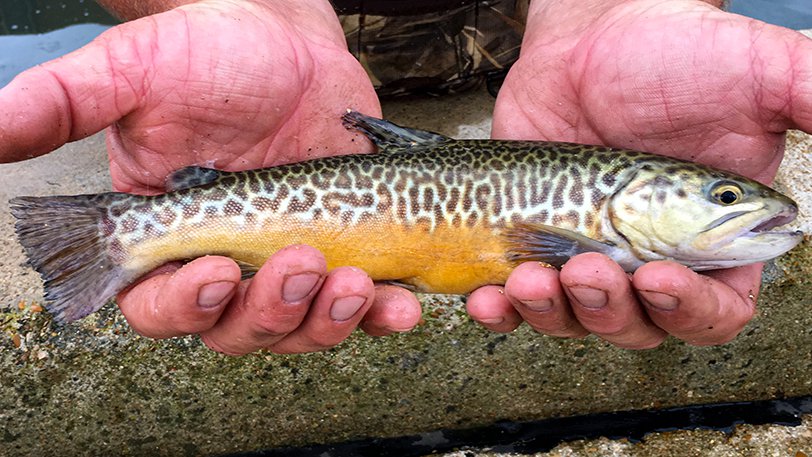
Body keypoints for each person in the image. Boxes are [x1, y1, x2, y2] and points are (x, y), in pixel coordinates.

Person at [0, 0, 809, 356]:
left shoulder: (598, 228)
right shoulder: (585, 238)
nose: (741, 204)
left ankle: (127, 232)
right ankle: (119, 234)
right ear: (624, 199)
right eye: (725, 196)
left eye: (724, 193)